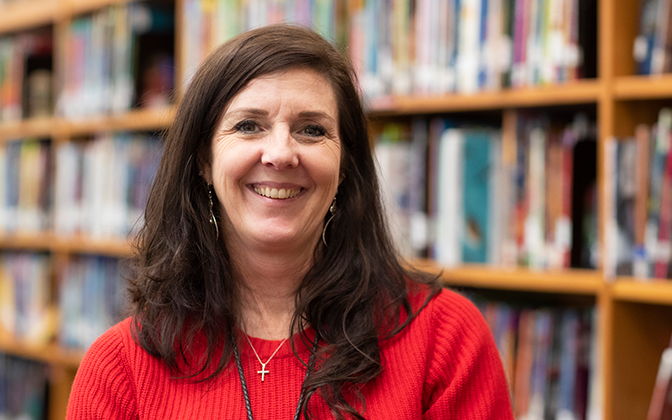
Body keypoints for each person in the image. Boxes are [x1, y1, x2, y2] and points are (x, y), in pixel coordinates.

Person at [66, 24, 513, 420]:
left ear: (344, 166)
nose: (280, 154)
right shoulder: (118, 368)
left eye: (312, 130)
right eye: (248, 126)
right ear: (203, 158)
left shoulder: (446, 340)